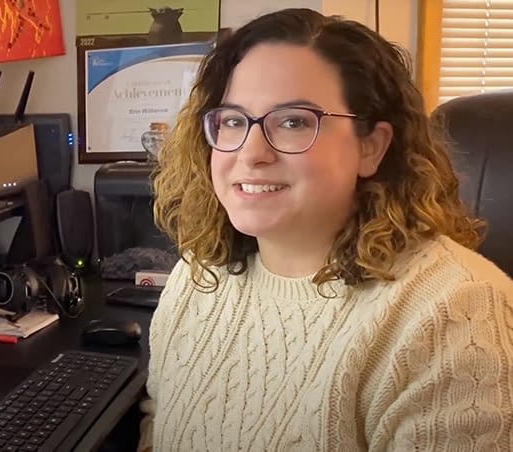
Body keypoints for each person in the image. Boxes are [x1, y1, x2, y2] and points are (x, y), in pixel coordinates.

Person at [141, 8, 513, 451]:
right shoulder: (198, 276)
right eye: (234, 121)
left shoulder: (455, 313)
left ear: (371, 148)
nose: (251, 152)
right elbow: (158, 425)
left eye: (294, 121)